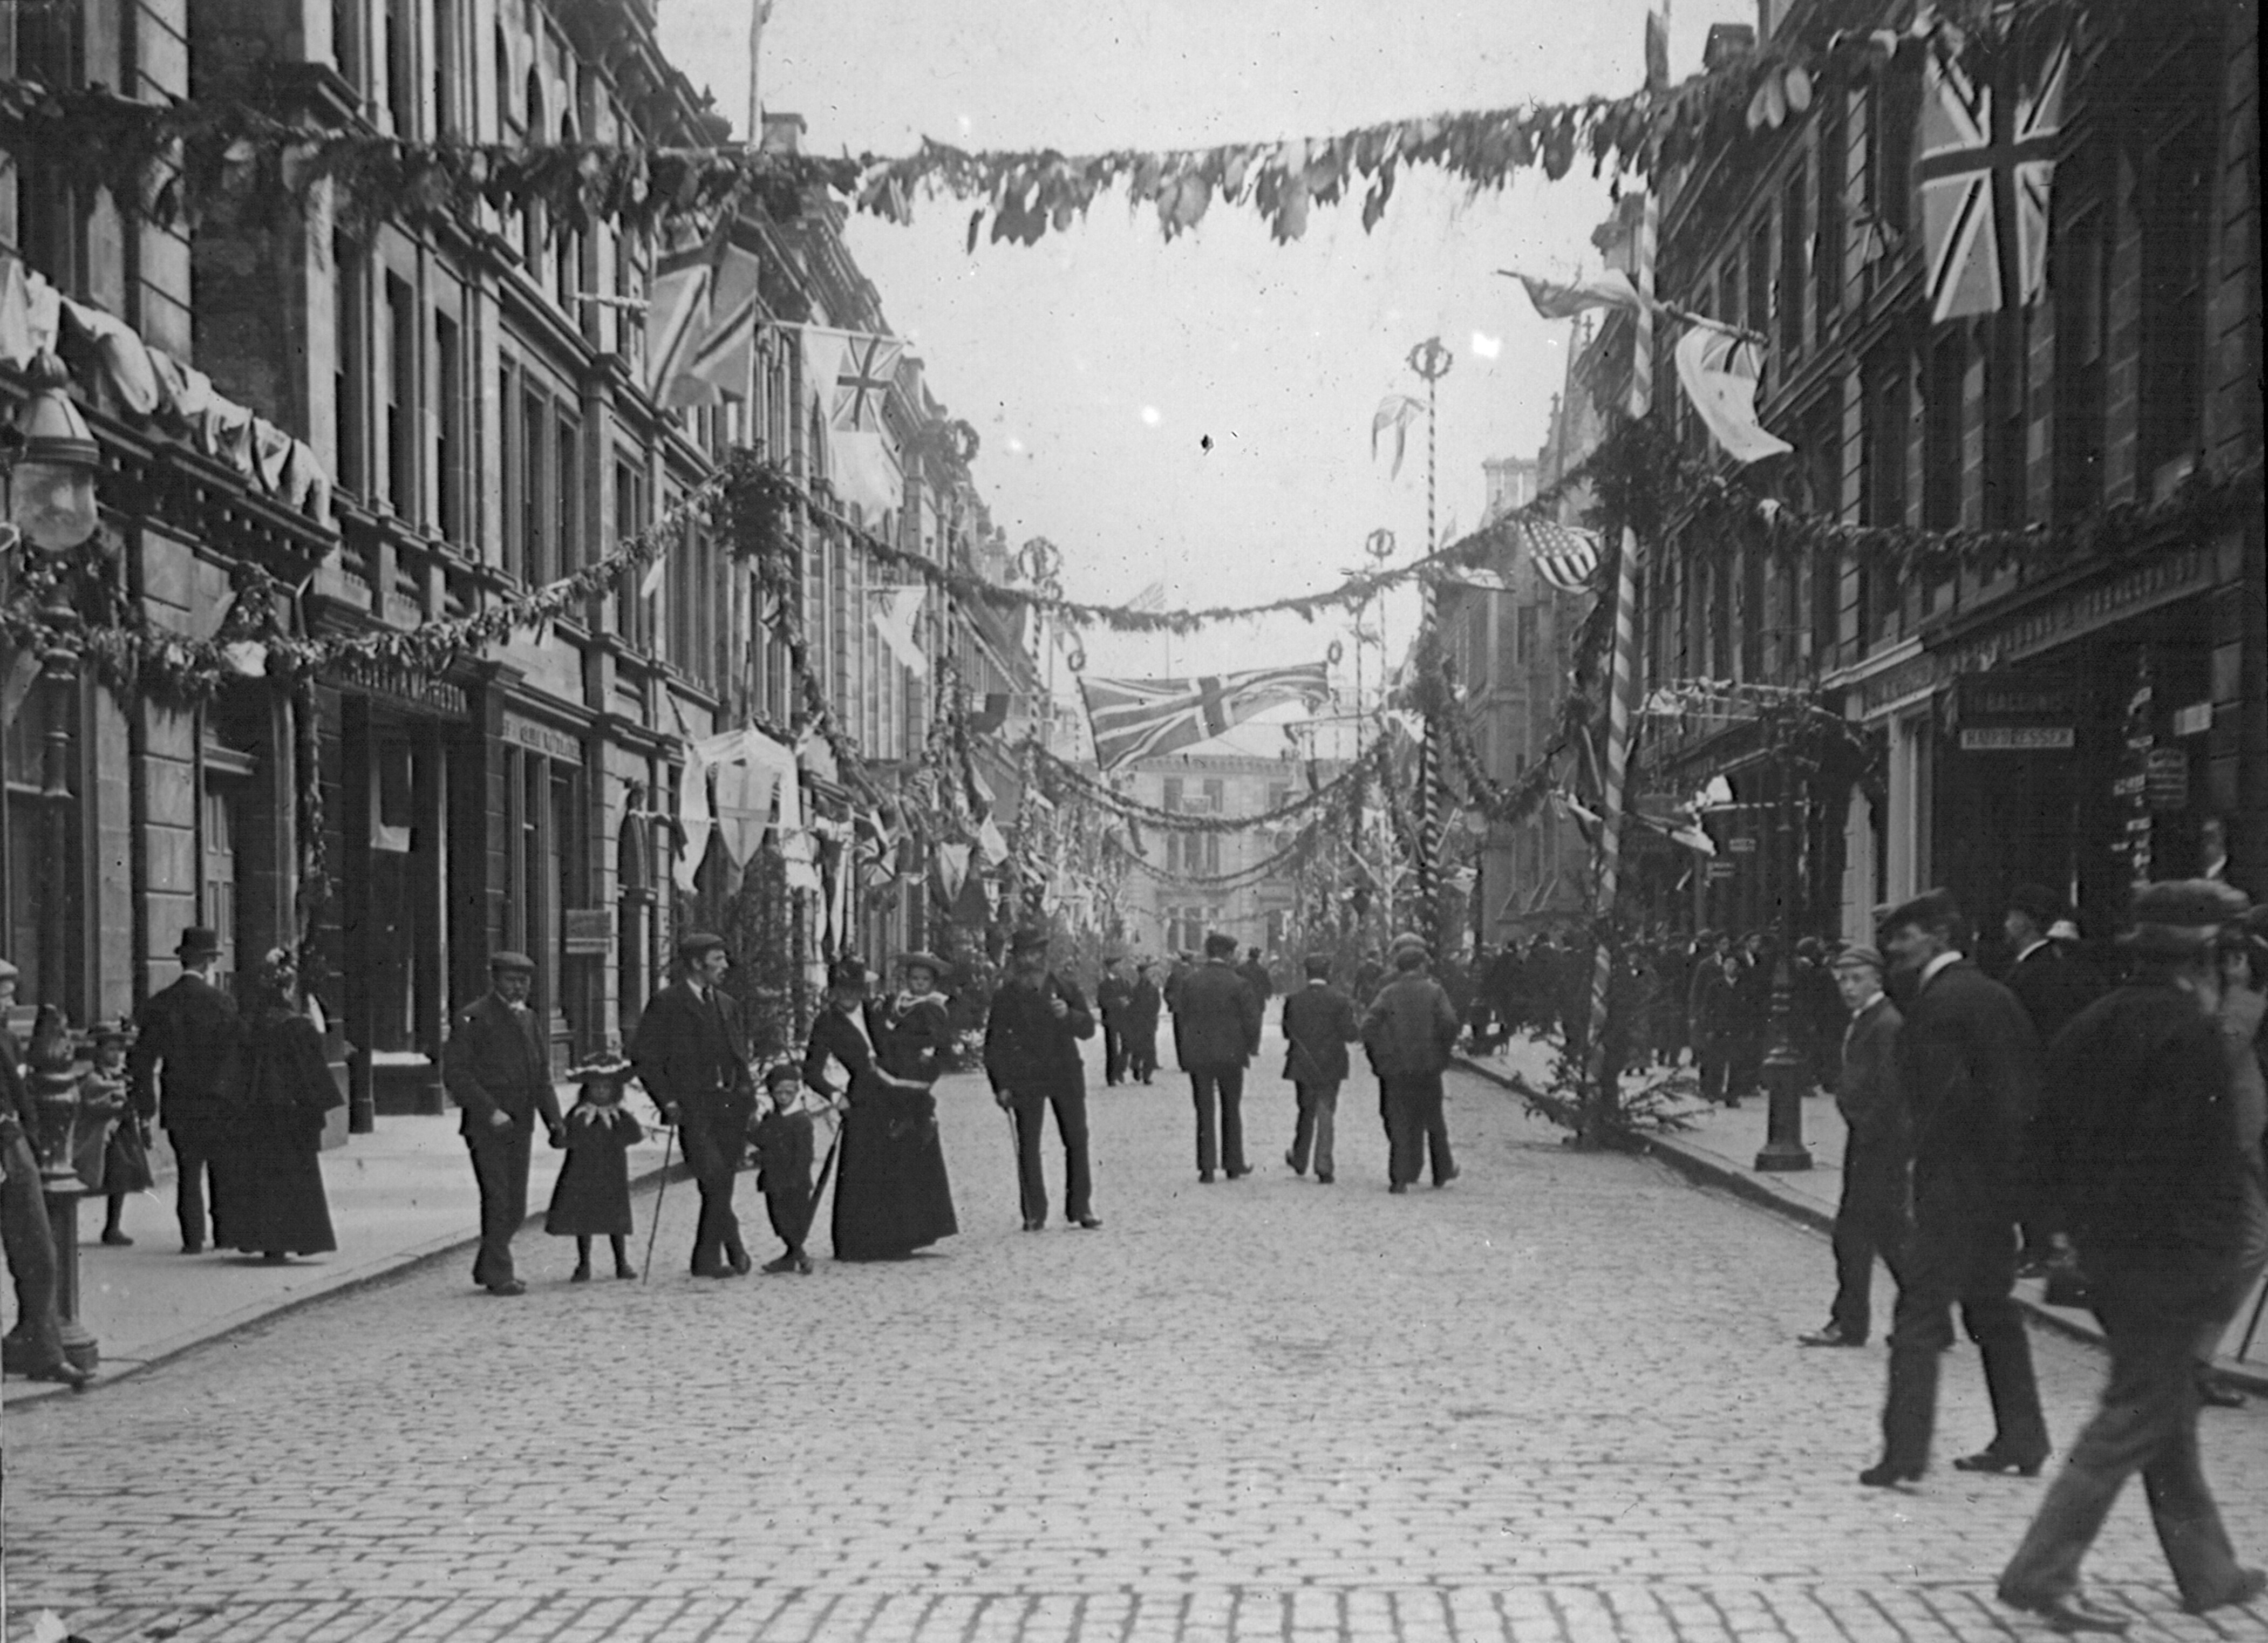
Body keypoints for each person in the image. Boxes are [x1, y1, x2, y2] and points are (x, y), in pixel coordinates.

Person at [1999, 881, 2266, 1633]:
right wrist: (2217, 1272)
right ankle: (2039, 1571)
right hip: (2172, 1263)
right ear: (2210, 955)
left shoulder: (2093, 1022)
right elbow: (2202, 1165)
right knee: (2133, 1415)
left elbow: (2041, 1138)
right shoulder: (2190, 1036)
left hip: (2109, 1258)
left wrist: (2058, 1234)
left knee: (2164, 1412)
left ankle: (2207, 1572)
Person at [1861, 889, 2049, 1488]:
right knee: (1993, 1311)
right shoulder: (1993, 995)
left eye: (1906, 935)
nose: (1893, 947)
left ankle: (1903, 1453)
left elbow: (1944, 1107)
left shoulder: (1940, 1005)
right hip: (1992, 1191)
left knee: (1918, 1315)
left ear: (1941, 935)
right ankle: (2024, 1437)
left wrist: (1922, 1175)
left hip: (1952, 1190)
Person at [803, 955, 958, 1262]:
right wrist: (836, 1097)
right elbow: (812, 1071)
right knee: (865, 1171)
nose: (848, 995)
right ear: (832, 990)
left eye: (854, 988)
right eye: (841, 989)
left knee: (902, 1164)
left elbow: (917, 1033)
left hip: (899, 1094)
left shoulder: (880, 1010)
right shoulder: (827, 1023)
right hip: (863, 1100)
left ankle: (904, 1237)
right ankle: (860, 1243)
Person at [1799, 945, 1910, 1349]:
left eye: (1857, 978)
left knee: (1853, 1235)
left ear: (1877, 980)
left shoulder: (1885, 1023)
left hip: (1877, 1143)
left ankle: (1849, 1323)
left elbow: (1890, 1090)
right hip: (1870, 1141)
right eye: (1842, 979)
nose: (1847, 987)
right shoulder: (1867, 1020)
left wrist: (1865, 1124)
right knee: (1889, 1234)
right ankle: (1926, 1318)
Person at [630, 932, 755, 1279]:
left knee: (722, 1183)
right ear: (698, 964)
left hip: (730, 1107)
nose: (725, 967)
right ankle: (728, 1250)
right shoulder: (667, 1003)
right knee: (713, 1177)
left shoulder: (728, 1004)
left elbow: (740, 1056)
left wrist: (750, 1098)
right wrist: (667, 1100)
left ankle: (712, 1257)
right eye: (718, 960)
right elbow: (644, 1057)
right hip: (693, 1108)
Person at [442, 950, 567, 1296]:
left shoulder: (529, 1019)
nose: (518, 988)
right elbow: (457, 1074)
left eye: (524, 981)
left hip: (522, 1122)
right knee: (497, 1199)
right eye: (511, 980)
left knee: (517, 1205)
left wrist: (555, 1121)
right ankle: (500, 1274)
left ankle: (488, 1265)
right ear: (494, 980)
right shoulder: (473, 1018)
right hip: (488, 1124)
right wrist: (490, 1111)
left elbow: (541, 1075)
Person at [127, 926, 243, 1254]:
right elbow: (235, 1057)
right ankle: (226, 1235)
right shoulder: (222, 1003)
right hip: (218, 1103)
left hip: (179, 1102)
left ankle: (192, 1240)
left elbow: (143, 1061)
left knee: (187, 1174)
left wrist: (146, 1107)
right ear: (208, 963)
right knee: (221, 1171)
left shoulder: (160, 1004)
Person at [0, 959, 87, 1387]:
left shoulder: (9, 1042)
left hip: (12, 1151)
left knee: (38, 1254)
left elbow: (23, 1100)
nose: (10, 1003)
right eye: (4, 995)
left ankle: (43, 1352)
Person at [2195, 906, 2268, 1408]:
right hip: (2236, 1139)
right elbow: (2228, 1050)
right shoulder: (2236, 998)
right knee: (2249, 1242)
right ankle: (2193, 1358)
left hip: (2243, 1137)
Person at [983, 926, 1100, 1231]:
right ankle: (1034, 1212)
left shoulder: (1065, 987)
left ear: (1045, 957)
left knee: (1077, 1140)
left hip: (1065, 1073)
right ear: (1017, 959)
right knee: (1029, 1144)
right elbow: (994, 1043)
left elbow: (1088, 1029)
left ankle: (1081, 1207)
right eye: (1025, 955)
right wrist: (1001, 1085)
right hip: (1026, 1076)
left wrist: (1069, 1016)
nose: (1031, 961)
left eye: (1036, 954)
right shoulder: (1006, 995)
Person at [229, 950, 342, 1262]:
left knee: (260, 1174)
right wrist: (316, 1112)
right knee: (293, 1175)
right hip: (291, 1113)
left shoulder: (249, 1026)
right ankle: (295, 1237)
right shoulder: (299, 1028)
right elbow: (311, 1077)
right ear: (288, 990)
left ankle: (264, 1240)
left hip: (256, 1110)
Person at [1361, 938, 1461, 1194]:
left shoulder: (1389, 993)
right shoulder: (1435, 992)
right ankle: (1441, 1171)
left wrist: (1381, 1056)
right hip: (1428, 1066)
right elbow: (1449, 1023)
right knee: (1434, 1120)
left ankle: (1399, 1177)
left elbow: (1369, 1026)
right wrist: (1442, 1052)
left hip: (1396, 1067)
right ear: (1420, 966)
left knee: (1398, 1119)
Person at [1173, 932, 1263, 1183]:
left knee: (1204, 1108)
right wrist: (1247, 1046)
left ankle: (1207, 1167)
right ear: (1227, 954)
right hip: (1232, 1054)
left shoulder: (1192, 981)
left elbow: (1184, 1016)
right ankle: (1233, 1163)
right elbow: (1252, 1022)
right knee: (1231, 1107)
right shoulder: (1239, 983)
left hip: (1199, 1053)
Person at [544, 1061, 642, 1282]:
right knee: (584, 1219)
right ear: (586, 1090)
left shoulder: (618, 1116)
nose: (600, 1092)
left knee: (616, 1220)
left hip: (612, 1174)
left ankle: (621, 1262)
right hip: (583, 1174)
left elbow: (635, 1135)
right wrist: (558, 1134)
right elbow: (562, 1140)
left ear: (614, 1091)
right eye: (596, 1087)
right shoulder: (579, 1115)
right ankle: (584, 1263)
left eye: (606, 1087)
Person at [1281, 953, 1359, 1184]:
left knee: (1305, 1110)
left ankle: (1300, 1158)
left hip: (1303, 1063)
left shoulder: (1294, 1000)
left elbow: (1288, 1032)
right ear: (1328, 973)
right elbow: (1349, 1033)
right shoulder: (1340, 1000)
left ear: (1307, 973)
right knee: (1326, 1111)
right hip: (1331, 1063)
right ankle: (1324, 1165)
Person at [752, 1062, 826, 1275]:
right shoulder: (771, 1118)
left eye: (789, 1092)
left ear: (797, 1092)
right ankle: (792, 1257)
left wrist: (798, 1175)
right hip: (773, 1179)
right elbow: (762, 1140)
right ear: (771, 1093)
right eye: (779, 1092)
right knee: (779, 1220)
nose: (784, 1097)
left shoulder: (802, 1121)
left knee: (792, 1222)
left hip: (795, 1181)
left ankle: (799, 1256)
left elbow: (805, 1154)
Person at [86, 1021, 151, 1247]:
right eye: (111, 1050)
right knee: (95, 1173)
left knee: (120, 1175)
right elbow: (93, 1100)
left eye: (119, 1050)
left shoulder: (122, 1075)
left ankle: (113, 1225)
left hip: (121, 1131)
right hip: (102, 1132)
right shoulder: (94, 1077)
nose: (116, 1055)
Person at [878, 952, 955, 1086]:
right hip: (899, 1051)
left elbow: (937, 1033)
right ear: (907, 980)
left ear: (934, 983)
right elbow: (892, 1014)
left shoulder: (932, 1005)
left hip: (918, 1054)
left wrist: (928, 1051)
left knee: (913, 1086)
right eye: (915, 978)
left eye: (926, 980)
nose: (920, 983)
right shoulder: (903, 999)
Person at [1095, 951, 1134, 1087]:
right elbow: (1101, 1002)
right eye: (1118, 965)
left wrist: (1129, 1002)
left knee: (1128, 1045)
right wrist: (1118, 1002)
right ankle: (1111, 1077)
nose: (1120, 967)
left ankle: (1120, 1070)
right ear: (1111, 967)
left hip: (1124, 1018)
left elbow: (1131, 997)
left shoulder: (1124, 982)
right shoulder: (1104, 985)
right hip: (1111, 1019)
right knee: (1112, 1049)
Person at [1123, 958, 1162, 1085]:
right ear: (1141, 974)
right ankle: (1135, 1067)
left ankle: (1147, 1075)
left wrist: (1153, 1017)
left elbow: (1157, 1005)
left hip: (1150, 1022)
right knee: (1138, 1048)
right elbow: (1131, 1007)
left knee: (1150, 1049)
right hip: (1138, 1023)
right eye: (1146, 972)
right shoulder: (1134, 989)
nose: (1149, 975)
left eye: (1150, 973)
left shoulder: (1154, 989)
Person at [1237, 947, 1275, 1019]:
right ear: (1258, 957)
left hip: (1243, 1000)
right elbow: (1268, 984)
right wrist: (1268, 995)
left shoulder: (1240, 969)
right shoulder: (1263, 970)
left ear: (1249, 956)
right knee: (1256, 1023)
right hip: (1258, 1001)